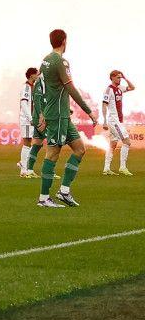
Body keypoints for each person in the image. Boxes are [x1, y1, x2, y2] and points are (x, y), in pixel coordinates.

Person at [36, 27, 99, 209]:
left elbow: (40, 87)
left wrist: (42, 112)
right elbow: (70, 88)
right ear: (64, 41)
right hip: (57, 115)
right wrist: (88, 110)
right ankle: (44, 198)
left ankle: (63, 191)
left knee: (79, 149)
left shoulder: (45, 60)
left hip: (61, 114)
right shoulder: (60, 61)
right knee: (52, 154)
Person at [101, 69, 135, 176]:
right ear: (112, 77)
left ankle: (106, 169)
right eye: (118, 77)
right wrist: (104, 121)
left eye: (120, 77)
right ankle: (122, 167)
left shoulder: (120, 88)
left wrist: (125, 78)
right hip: (114, 121)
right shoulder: (108, 90)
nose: (120, 79)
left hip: (119, 121)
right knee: (127, 142)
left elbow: (132, 87)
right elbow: (104, 105)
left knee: (112, 144)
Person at [18, 66, 46, 177]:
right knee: (27, 142)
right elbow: (24, 103)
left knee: (30, 142)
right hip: (26, 120)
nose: (38, 76)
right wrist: (30, 118)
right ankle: (23, 169)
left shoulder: (33, 87)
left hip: (30, 119)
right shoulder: (26, 87)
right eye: (37, 74)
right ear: (31, 75)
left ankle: (23, 164)